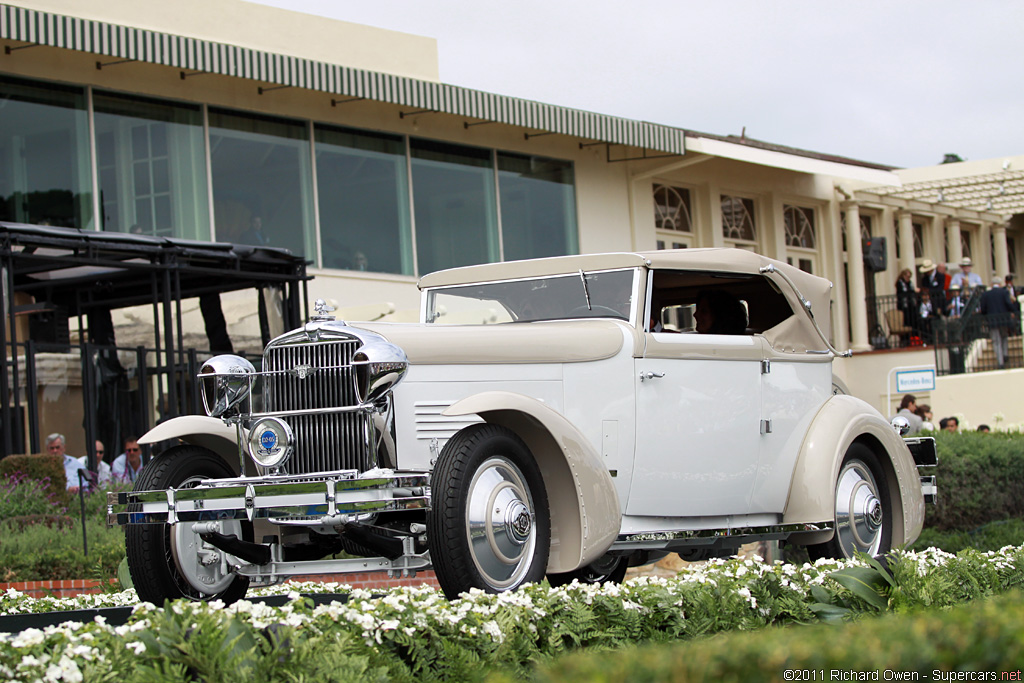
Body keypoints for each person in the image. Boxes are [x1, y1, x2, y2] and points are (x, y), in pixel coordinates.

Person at [980, 277, 1016, 369]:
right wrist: (1013, 311)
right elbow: (1008, 304)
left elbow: (983, 308)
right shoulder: (1004, 292)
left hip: (992, 320)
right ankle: (1005, 354)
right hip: (1003, 319)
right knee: (1004, 337)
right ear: (999, 284)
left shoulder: (986, 294)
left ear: (992, 284)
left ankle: (1000, 362)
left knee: (996, 341)